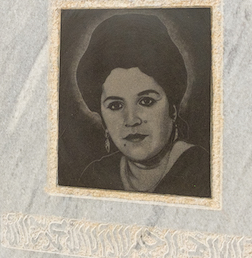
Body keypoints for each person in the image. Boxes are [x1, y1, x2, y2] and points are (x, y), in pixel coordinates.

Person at [74, 13, 210, 197]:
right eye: (115, 106)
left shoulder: (202, 172)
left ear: (172, 107)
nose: (131, 120)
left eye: (146, 101)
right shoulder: (95, 176)